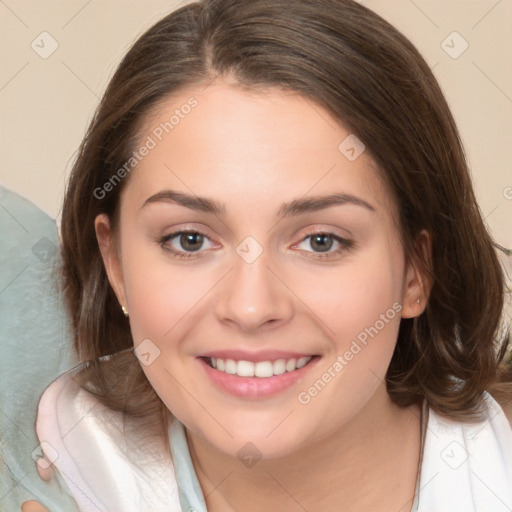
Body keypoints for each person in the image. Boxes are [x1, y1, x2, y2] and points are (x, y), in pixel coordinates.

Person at [2, 0, 511, 510]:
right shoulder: (48, 462)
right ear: (116, 266)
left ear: (415, 274)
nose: (250, 307)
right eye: (190, 240)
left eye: (321, 241)